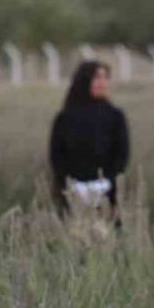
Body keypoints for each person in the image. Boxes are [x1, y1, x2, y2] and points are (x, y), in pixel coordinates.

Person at [49, 61, 130, 222]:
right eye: (97, 78)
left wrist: (106, 183)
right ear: (85, 80)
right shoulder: (65, 118)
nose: (102, 83)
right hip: (72, 193)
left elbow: (122, 153)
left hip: (107, 193)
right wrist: (72, 186)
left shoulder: (114, 116)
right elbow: (56, 155)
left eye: (105, 78)